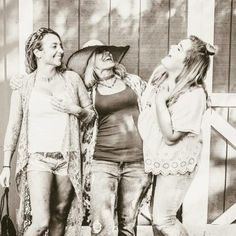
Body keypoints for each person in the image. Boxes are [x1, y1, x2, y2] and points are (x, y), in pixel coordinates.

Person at [0, 27, 94, 236]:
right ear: (37, 51)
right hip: (38, 159)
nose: (61, 50)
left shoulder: (71, 80)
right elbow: (13, 127)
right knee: (40, 222)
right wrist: (6, 164)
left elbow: (91, 114)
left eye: (61, 45)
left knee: (60, 216)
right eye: (54, 46)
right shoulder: (24, 85)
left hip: (67, 159)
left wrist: (75, 110)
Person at [66, 40, 151, 236]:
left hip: (137, 162)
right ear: (90, 62)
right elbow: (55, 85)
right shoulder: (88, 91)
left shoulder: (134, 82)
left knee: (128, 225)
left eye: (107, 50)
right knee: (100, 226)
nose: (107, 53)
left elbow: (159, 99)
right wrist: (23, 80)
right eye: (99, 52)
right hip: (102, 162)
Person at [139, 35, 216, 236]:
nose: (173, 46)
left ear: (188, 63)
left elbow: (171, 136)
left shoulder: (194, 95)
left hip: (177, 162)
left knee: (164, 220)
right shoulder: (161, 76)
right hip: (160, 158)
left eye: (180, 48)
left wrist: (160, 102)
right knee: (158, 223)